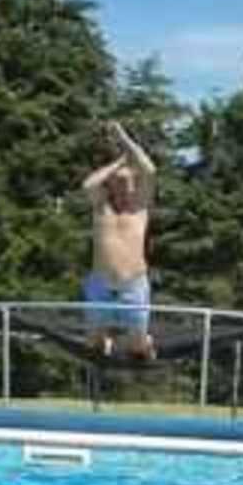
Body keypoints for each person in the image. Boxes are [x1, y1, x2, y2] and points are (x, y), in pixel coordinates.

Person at [81, 120, 157, 360]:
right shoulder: (101, 205)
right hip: (100, 284)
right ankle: (103, 340)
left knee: (138, 352)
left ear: (135, 182)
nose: (121, 186)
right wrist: (119, 162)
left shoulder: (140, 206)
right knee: (93, 346)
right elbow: (88, 184)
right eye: (117, 181)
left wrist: (123, 139)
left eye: (126, 181)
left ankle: (144, 341)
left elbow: (150, 170)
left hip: (132, 284)